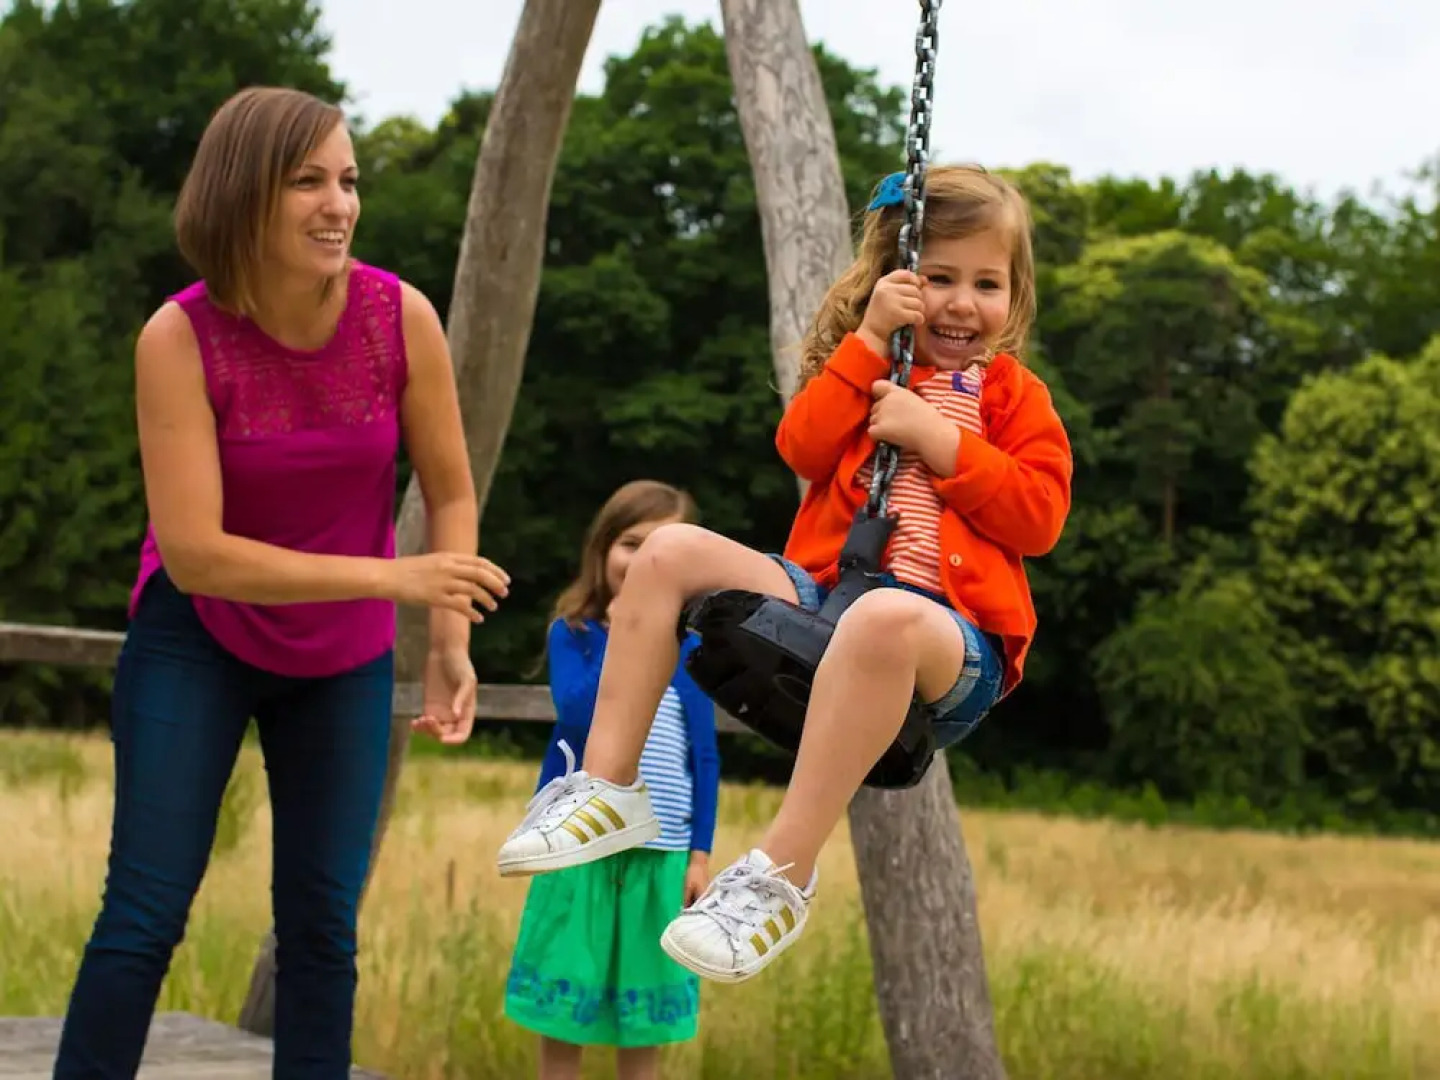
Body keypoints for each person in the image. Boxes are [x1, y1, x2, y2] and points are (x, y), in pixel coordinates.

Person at [495, 163, 1073, 984]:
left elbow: (1040, 516)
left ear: (1014, 298)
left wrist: (941, 442)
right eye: (938, 277)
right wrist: (870, 344)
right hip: (831, 600)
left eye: (987, 283)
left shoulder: (1016, 397)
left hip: (952, 650)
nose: (960, 302)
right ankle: (608, 785)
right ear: (893, 282)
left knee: (885, 622)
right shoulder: (868, 366)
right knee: (665, 551)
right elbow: (801, 446)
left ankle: (781, 874)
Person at [52, 86, 510, 1078]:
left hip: (342, 656)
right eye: (308, 181)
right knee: (142, 914)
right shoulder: (176, 339)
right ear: (241, 194)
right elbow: (198, 553)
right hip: (197, 637)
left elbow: (453, 495)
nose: (338, 203)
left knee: (320, 930)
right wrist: (392, 575)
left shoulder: (402, 318)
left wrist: (447, 640)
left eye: (348, 180)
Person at [503, 480, 721, 1080]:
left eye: (662, 546)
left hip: (661, 856)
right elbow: (575, 709)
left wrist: (700, 854)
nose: (645, 559)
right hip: (578, 849)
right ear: (602, 549)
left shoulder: (692, 649)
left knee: (643, 1019)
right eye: (631, 543)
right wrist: (627, 629)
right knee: (562, 1008)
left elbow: (703, 756)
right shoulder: (573, 633)